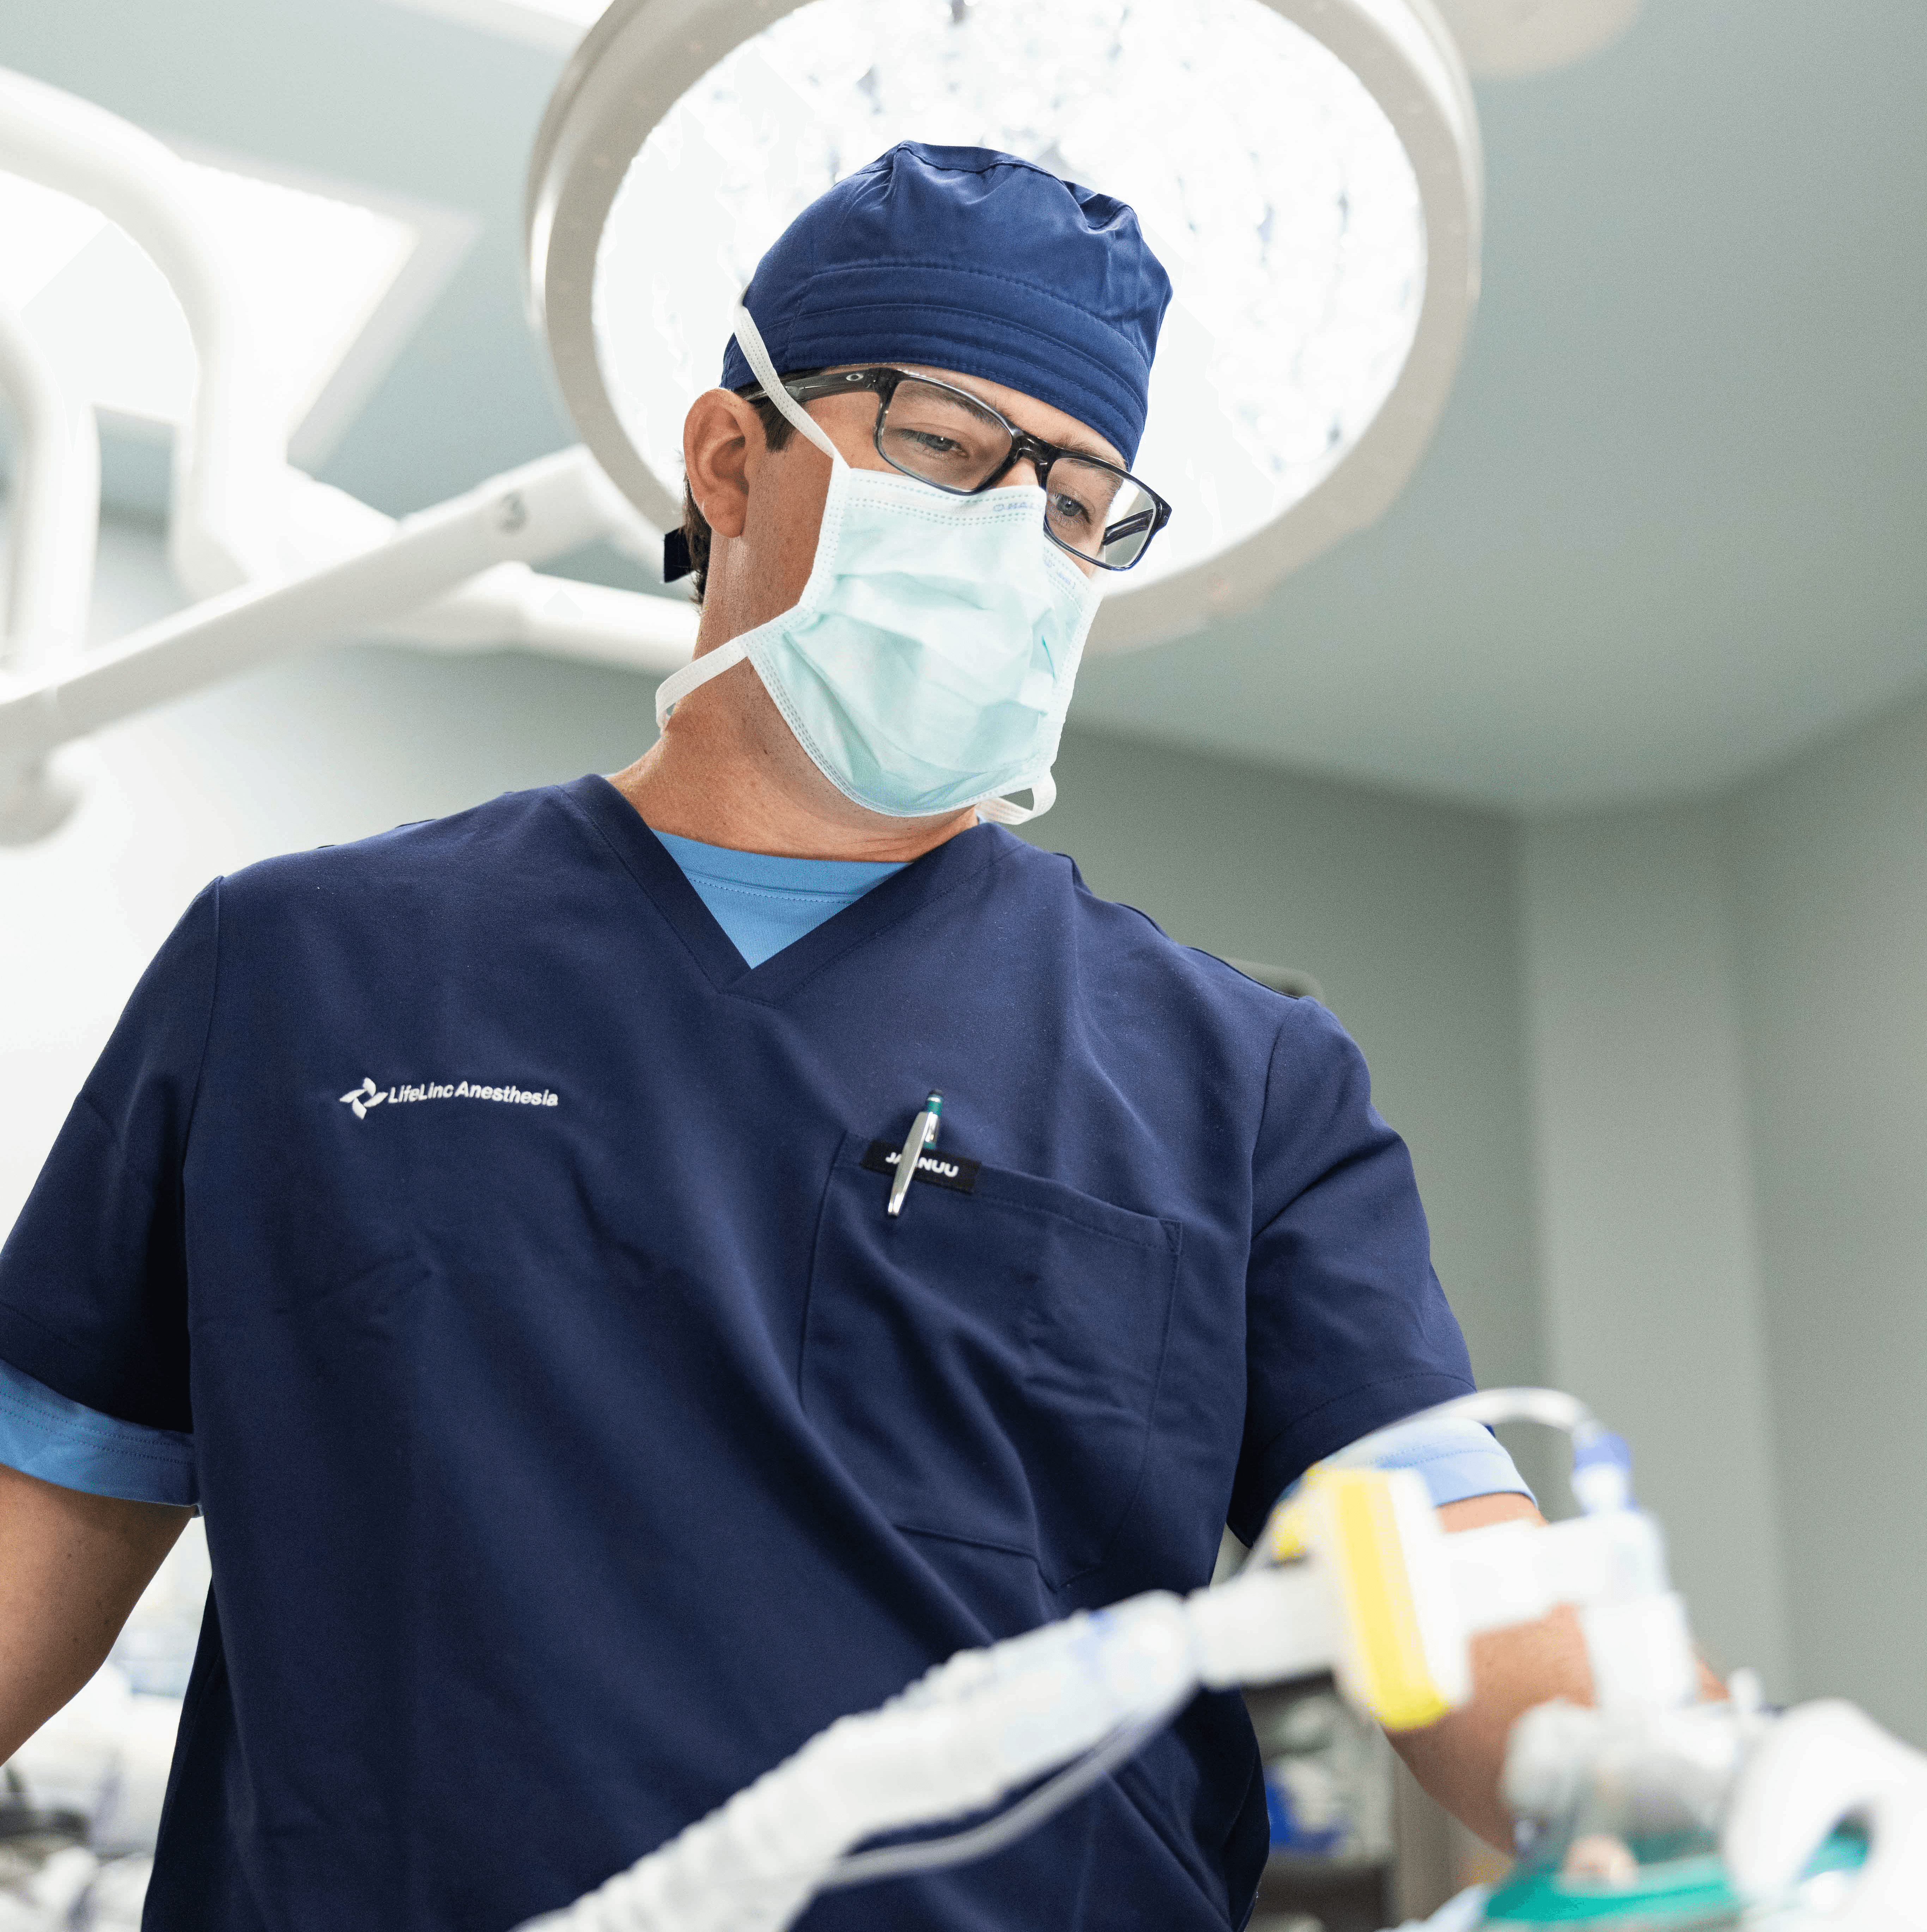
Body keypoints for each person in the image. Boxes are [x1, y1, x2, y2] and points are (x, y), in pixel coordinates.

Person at [0, 143, 1588, 1929]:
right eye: (941, 442)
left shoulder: (1233, 1079)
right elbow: (34, 1546)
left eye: (1076, 501)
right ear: (728, 459)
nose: (1012, 533)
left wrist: (1664, 1786)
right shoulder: (300, 971)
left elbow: (1448, 1577)